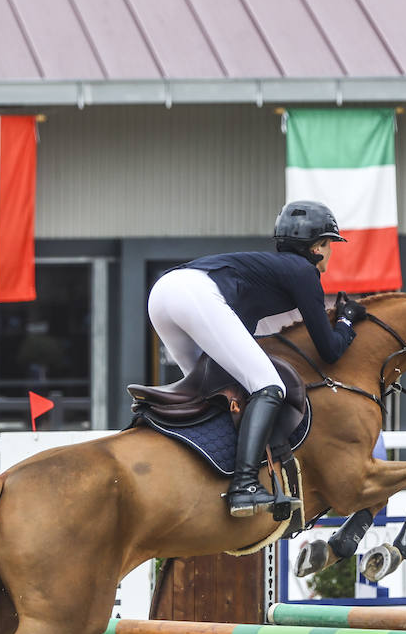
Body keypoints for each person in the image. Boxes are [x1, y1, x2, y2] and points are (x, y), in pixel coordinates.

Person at [148, 200, 368, 517]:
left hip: (163, 294)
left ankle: (203, 472)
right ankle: (244, 484)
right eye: (330, 244)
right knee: (268, 386)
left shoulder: (270, 273)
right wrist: (347, 320)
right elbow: (330, 350)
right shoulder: (304, 272)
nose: (330, 252)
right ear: (318, 246)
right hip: (194, 294)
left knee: (212, 393)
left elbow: (268, 340)